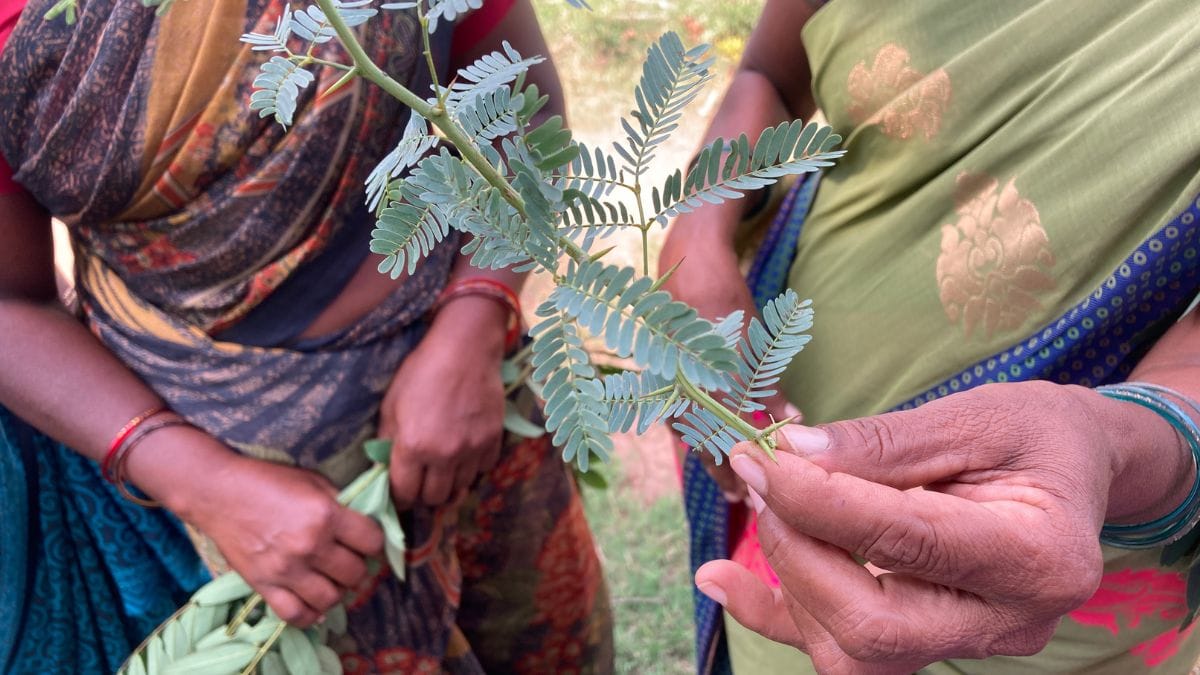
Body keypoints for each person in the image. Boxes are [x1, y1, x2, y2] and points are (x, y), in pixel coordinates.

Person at [0, 0, 612, 672]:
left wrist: (473, 320)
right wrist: (206, 485)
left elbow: (526, 112)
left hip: (475, 406)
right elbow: (10, 302)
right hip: (243, 506)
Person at [661, 0, 1200, 672]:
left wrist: (1113, 443)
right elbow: (769, 72)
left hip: (1056, 609)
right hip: (769, 511)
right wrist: (699, 229)